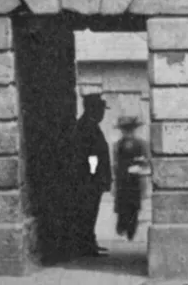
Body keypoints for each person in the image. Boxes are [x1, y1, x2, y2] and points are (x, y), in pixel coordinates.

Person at [71, 93, 112, 257]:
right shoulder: (87, 126)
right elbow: (91, 155)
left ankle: (89, 242)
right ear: (93, 109)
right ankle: (86, 245)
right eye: (101, 109)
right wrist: (95, 176)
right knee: (88, 211)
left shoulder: (89, 124)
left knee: (90, 211)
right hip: (89, 179)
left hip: (90, 178)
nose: (103, 113)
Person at [112, 116, 149, 241]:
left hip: (135, 180)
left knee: (134, 206)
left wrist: (140, 168)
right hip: (122, 180)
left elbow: (146, 161)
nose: (127, 133)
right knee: (122, 205)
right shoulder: (117, 145)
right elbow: (115, 162)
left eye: (130, 130)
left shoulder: (141, 144)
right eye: (125, 130)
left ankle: (131, 229)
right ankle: (122, 224)